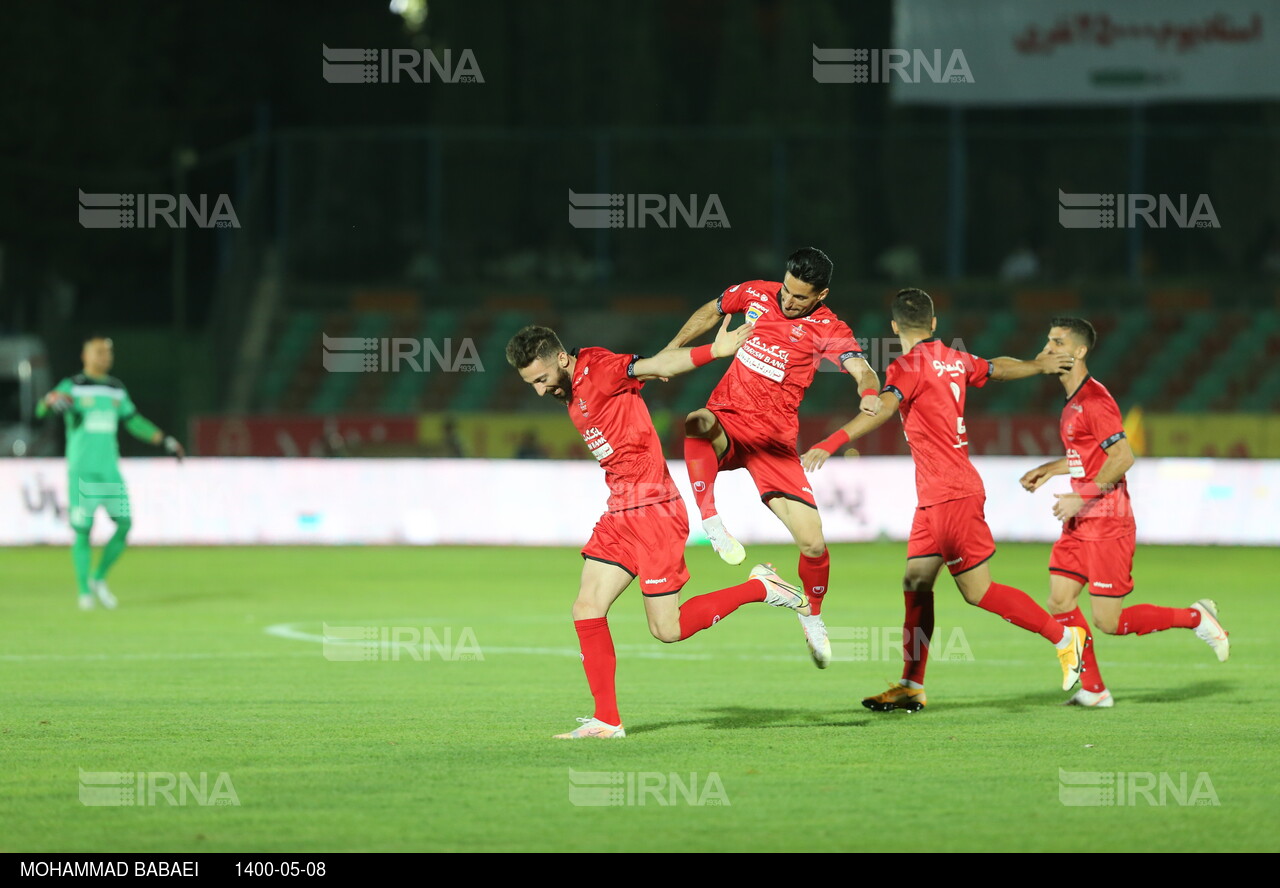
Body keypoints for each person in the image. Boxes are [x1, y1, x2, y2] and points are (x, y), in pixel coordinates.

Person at [505, 320, 811, 740]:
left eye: (541, 379)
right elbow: (647, 373)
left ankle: (761, 587)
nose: (540, 391)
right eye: (531, 384)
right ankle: (607, 721)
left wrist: (713, 352)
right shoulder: (572, 387)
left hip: (654, 511)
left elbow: (652, 365)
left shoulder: (599, 369)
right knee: (586, 608)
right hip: (619, 512)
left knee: (667, 630)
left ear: (561, 358)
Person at [801, 289, 1083, 710]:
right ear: (933, 324)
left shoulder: (905, 366)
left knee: (978, 591)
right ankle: (911, 684)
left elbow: (880, 408)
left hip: (951, 494)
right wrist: (1039, 365)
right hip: (936, 496)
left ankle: (1063, 637)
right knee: (916, 581)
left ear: (894, 327)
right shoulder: (955, 358)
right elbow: (997, 368)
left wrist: (831, 441)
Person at [663, 247, 880, 669]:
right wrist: (672, 350)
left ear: (821, 295)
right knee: (696, 422)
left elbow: (862, 368)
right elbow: (712, 309)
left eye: (801, 297)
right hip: (729, 419)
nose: (788, 300)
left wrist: (867, 391)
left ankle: (812, 617)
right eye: (788, 289)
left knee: (813, 542)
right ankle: (711, 522)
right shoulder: (756, 294)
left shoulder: (828, 327)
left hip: (776, 444)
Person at [1019, 318, 1230, 708]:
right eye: (1047, 340)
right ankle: (1094, 690)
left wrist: (1080, 497)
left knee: (1108, 622)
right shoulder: (1072, 402)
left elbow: (1123, 456)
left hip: (1107, 521)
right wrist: (1050, 468)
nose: (1048, 348)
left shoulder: (1095, 401)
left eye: (1058, 342)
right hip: (1081, 522)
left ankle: (1196, 618)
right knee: (1061, 600)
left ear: (1079, 352)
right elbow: (1087, 457)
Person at [36, 334, 185, 610]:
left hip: (109, 472)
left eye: (108, 352)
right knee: (83, 531)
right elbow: (42, 409)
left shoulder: (116, 390)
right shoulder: (74, 386)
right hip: (83, 472)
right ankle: (84, 593)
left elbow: (134, 421)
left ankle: (98, 577)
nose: (105, 356)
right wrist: (48, 401)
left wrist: (164, 439)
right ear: (85, 356)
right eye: (98, 352)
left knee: (125, 524)